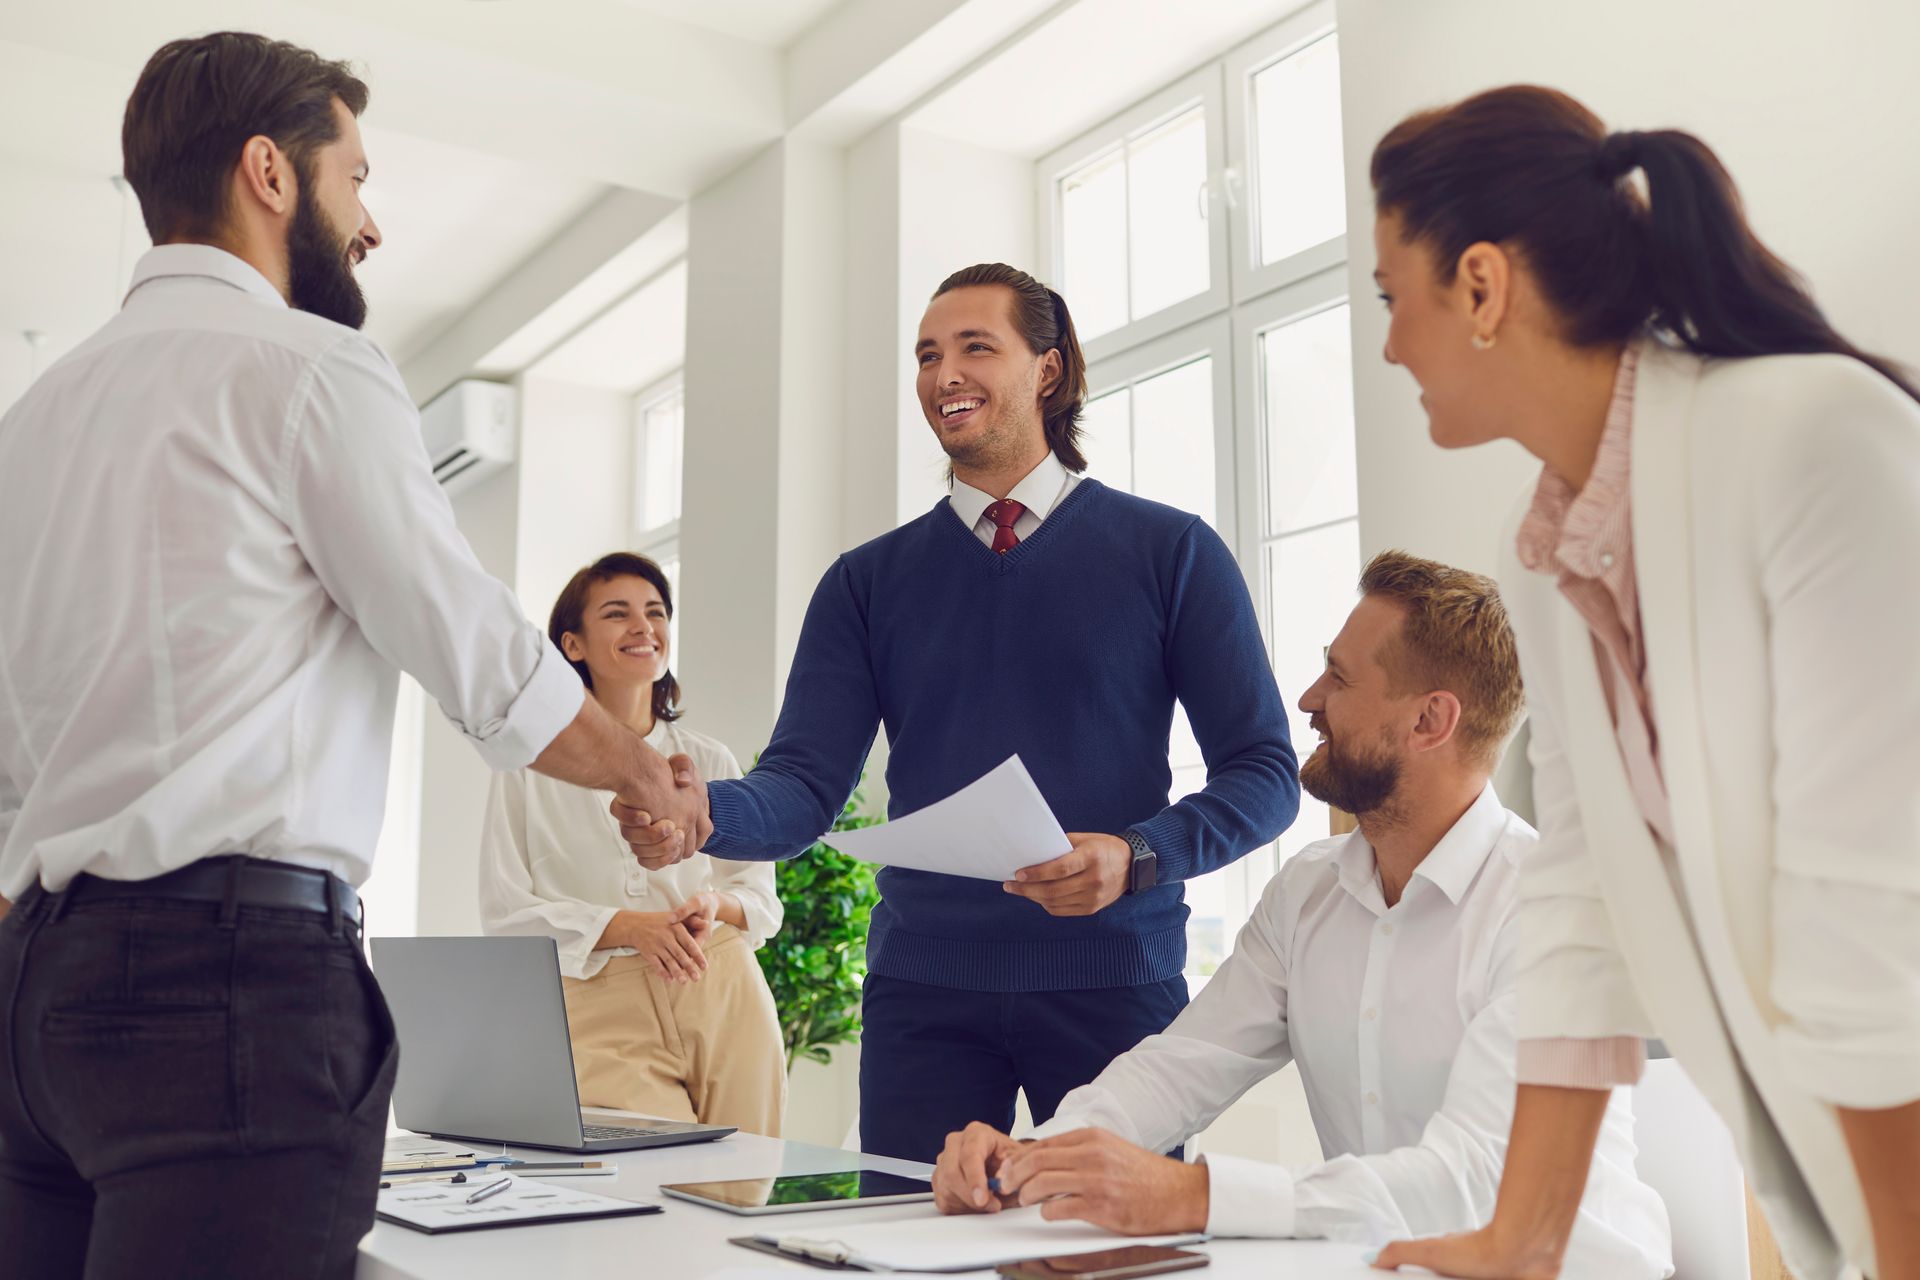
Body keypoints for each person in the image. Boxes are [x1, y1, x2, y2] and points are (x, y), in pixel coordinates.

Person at [0, 33, 700, 1278]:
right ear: (270, 172)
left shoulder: (35, 419)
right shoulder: (311, 369)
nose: (369, 224)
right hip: (227, 987)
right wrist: (642, 775)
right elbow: (471, 641)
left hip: (34, 1000)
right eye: (356, 179)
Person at [1359, 87, 1920, 1280]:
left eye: (1389, 297)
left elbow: (1873, 924)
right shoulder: (1547, 546)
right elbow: (1581, 893)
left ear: (1479, 286)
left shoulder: (1815, 439)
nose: (1391, 342)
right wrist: (1523, 1238)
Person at [645, 262, 1299, 1163]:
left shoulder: (1171, 553)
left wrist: (1141, 856)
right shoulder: (865, 584)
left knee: (1114, 1256)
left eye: (974, 348)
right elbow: (801, 785)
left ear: (1049, 370)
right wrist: (706, 813)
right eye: (926, 355)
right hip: (924, 995)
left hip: (1114, 984)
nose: (942, 374)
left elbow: (1266, 774)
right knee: (913, 1246)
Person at [932, 551, 1673, 1278]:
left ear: (1430, 721)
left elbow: (1478, 1175)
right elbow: (1180, 1068)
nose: (1308, 698)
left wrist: (1194, 1195)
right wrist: (1033, 1159)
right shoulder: (1308, 893)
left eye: (1340, 677)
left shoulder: (1551, 909)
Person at [480, 552, 788, 1137]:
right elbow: (505, 913)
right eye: (618, 614)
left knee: (745, 1183)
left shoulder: (709, 760)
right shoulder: (526, 768)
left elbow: (760, 899)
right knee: (648, 1186)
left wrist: (711, 906)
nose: (643, 626)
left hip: (719, 982)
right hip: (597, 1001)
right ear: (573, 645)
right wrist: (627, 926)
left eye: (655, 612)